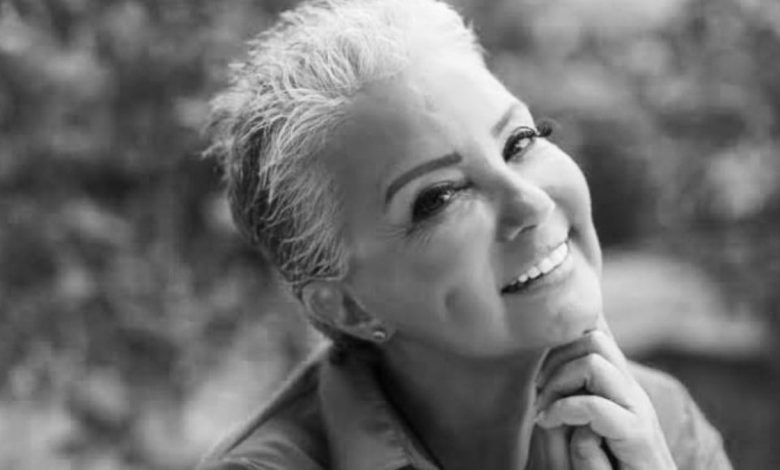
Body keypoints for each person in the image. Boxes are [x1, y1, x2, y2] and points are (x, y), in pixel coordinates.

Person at [199, 0, 733, 468]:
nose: (531, 202)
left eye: (520, 142)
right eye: (439, 197)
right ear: (349, 308)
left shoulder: (663, 424)